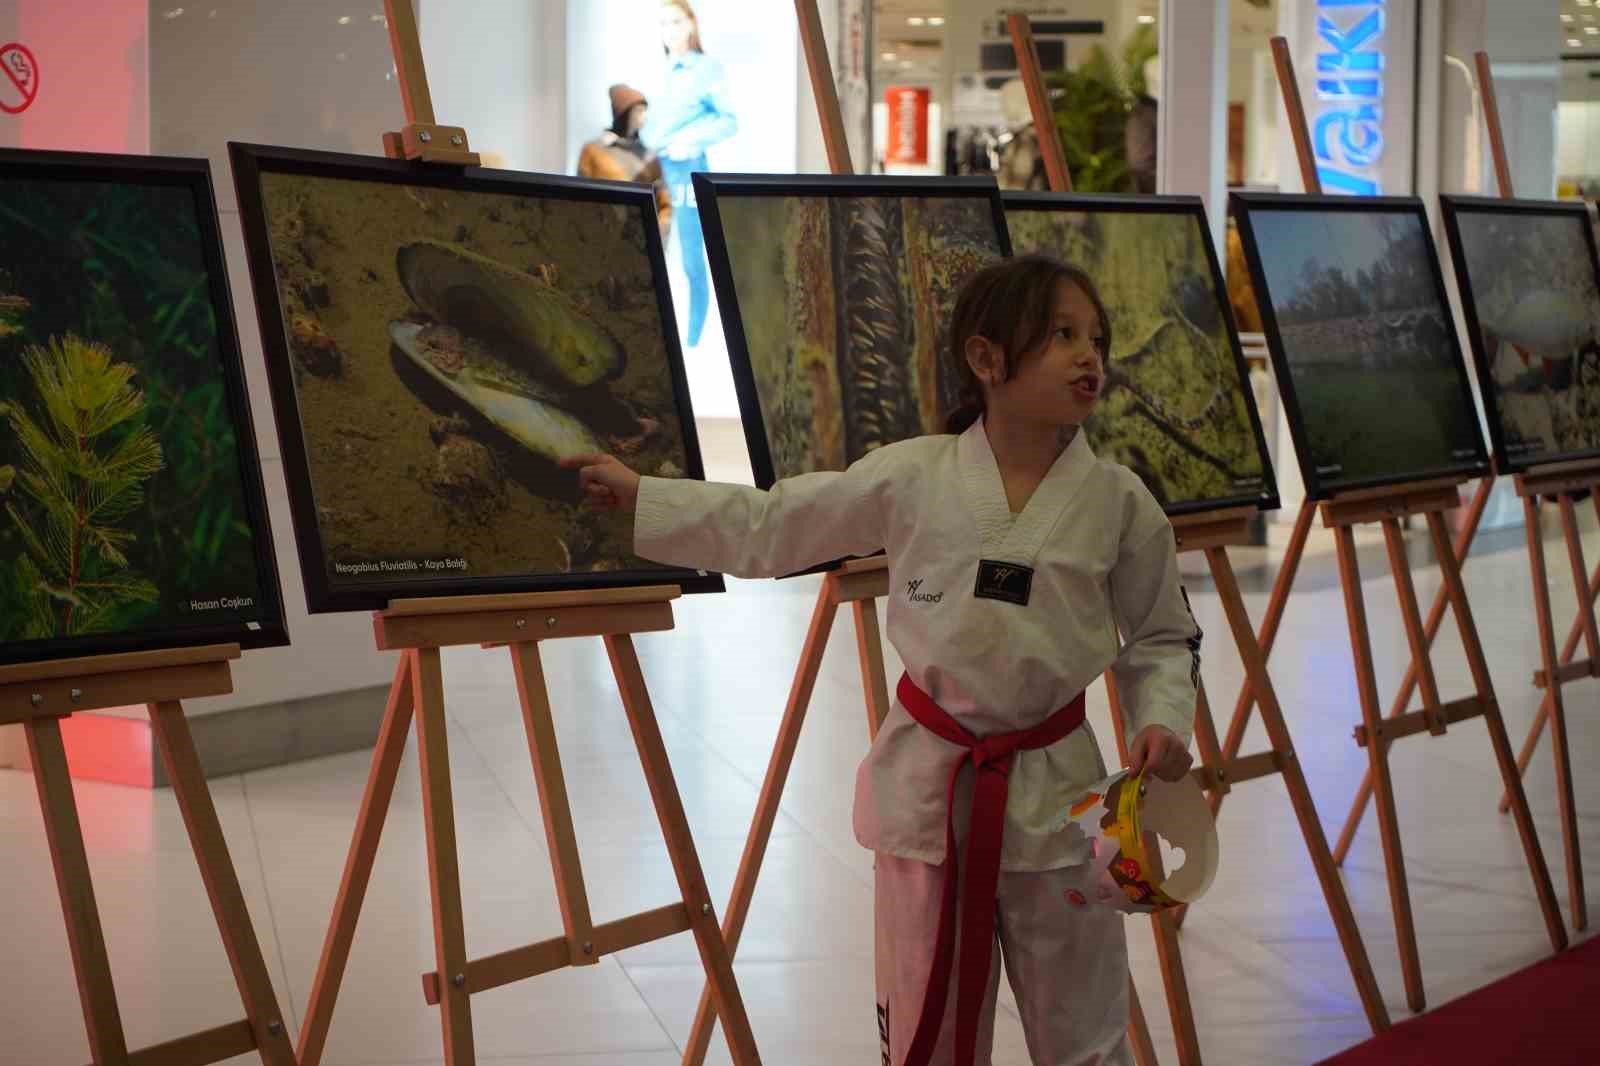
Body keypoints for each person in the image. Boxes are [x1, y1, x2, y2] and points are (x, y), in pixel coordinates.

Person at [563, 255, 1200, 1066]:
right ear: (987, 359)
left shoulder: (1119, 501)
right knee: (924, 1028)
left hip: (1060, 798)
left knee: (1085, 1030)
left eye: (1097, 339)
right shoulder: (914, 475)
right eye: (1063, 336)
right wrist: (644, 497)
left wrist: (1161, 718)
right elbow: (773, 526)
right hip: (927, 794)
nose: (1090, 358)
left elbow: (1159, 635)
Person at [643, 0, 737, 348]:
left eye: (677, 22)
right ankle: (658, 337)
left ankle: (693, 341)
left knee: (692, 256)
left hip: (686, 170)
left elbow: (728, 120)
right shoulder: (656, 69)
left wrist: (689, 140)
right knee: (650, 247)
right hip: (652, 172)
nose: (671, 30)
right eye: (664, 23)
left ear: (692, 25)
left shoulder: (706, 69)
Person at [576, 83, 672, 236]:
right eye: (638, 111)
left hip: (641, 242)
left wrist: (655, 237)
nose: (644, 117)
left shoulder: (649, 157)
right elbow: (580, 201)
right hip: (601, 236)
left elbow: (664, 204)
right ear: (624, 113)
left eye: (644, 111)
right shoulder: (593, 151)